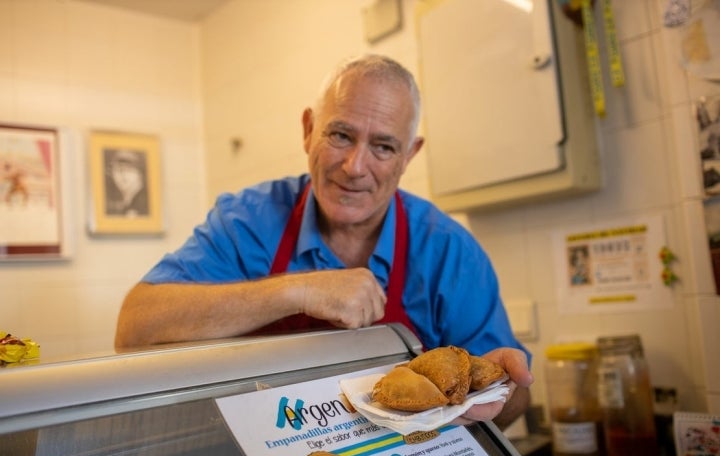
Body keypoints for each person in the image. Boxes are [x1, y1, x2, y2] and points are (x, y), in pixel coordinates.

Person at [115, 54, 533, 429]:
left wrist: (502, 392)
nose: (354, 167)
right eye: (340, 136)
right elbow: (134, 329)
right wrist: (296, 290)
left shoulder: (448, 251)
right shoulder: (247, 221)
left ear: (409, 155)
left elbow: (515, 399)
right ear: (308, 130)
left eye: (384, 147)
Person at [104, 149, 149, 217]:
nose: (123, 175)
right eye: (117, 170)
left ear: (140, 174)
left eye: (129, 170)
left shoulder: (144, 202)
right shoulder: (127, 202)